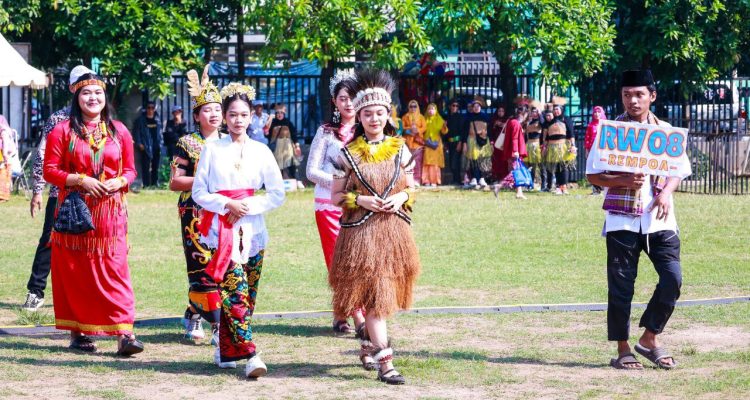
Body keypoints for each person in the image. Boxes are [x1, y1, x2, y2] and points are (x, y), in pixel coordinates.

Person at [587, 69, 690, 371]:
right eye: (627, 95)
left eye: (639, 94)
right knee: (621, 286)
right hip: (622, 221)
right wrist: (622, 180)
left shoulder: (666, 132)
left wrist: (667, 192)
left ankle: (649, 339)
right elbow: (593, 175)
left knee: (673, 278)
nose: (633, 100)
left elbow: (678, 170)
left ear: (651, 96)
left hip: (660, 220)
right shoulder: (611, 132)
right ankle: (623, 349)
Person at [43, 68, 144, 356]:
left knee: (116, 270)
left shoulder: (118, 130)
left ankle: (125, 334)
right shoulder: (62, 131)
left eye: (98, 92)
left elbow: (130, 170)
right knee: (77, 273)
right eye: (86, 92)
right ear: (76, 97)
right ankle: (79, 333)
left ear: (105, 97)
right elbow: (50, 170)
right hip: (74, 212)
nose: (93, 97)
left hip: (110, 214)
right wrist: (80, 180)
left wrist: (119, 181)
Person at [330, 69, 420, 385]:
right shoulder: (346, 154)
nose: (374, 118)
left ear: (387, 114)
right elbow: (336, 196)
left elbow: (413, 188)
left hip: (394, 235)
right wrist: (362, 200)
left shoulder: (400, 149)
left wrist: (401, 198)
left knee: (379, 298)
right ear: (359, 116)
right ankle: (386, 364)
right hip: (360, 237)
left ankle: (369, 345)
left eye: (379, 112)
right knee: (375, 300)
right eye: (367, 113)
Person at [192, 82, 285, 377]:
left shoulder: (261, 150)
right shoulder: (211, 149)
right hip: (222, 230)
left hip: (252, 229)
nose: (238, 120)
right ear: (225, 117)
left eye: (243, 114)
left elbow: (277, 193)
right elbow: (199, 192)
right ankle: (251, 355)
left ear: (251, 116)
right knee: (235, 293)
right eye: (232, 114)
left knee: (249, 295)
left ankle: (226, 349)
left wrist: (248, 205)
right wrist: (226, 204)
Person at [306, 69, 369, 338]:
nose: (348, 103)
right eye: (343, 98)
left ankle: (340, 311)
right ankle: (358, 317)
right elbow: (311, 171)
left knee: (358, 261)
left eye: (352, 97)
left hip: (359, 205)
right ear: (334, 101)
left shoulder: (367, 131)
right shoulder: (325, 132)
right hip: (328, 206)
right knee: (338, 262)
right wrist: (340, 182)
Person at [169, 66, 225, 344]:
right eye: (207, 109)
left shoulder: (230, 142)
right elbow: (175, 181)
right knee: (202, 266)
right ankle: (217, 325)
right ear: (196, 115)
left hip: (225, 211)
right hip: (195, 213)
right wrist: (206, 180)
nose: (214, 114)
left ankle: (194, 312)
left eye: (217, 109)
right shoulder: (187, 143)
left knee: (224, 267)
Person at [24, 102, 71, 311]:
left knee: (90, 244)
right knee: (49, 240)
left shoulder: (103, 120)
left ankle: (87, 295)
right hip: (60, 192)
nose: (92, 96)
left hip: (94, 194)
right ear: (73, 89)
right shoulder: (59, 119)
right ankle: (35, 292)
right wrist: (37, 190)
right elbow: (42, 154)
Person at [494, 102, 528, 199]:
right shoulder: (516, 123)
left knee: (516, 172)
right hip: (513, 152)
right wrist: (515, 151)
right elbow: (514, 138)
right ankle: (499, 186)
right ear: (522, 113)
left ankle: (519, 192)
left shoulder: (510, 121)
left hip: (510, 152)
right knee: (515, 172)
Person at [543, 101, 576, 195]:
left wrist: (573, 145)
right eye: (554, 109)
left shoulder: (566, 119)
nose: (555, 111)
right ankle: (558, 187)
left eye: (557, 109)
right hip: (552, 147)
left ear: (561, 110)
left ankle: (564, 187)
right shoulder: (550, 122)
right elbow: (547, 137)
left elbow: (571, 134)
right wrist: (545, 147)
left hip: (563, 146)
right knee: (556, 167)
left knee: (564, 167)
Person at [462, 99, 492, 189]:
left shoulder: (485, 117)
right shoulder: (468, 118)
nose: (476, 108)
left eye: (478, 106)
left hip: (483, 140)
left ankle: (482, 178)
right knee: (473, 160)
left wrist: (491, 142)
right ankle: (474, 178)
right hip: (472, 140)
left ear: (480, 107)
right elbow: (464, 131)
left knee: (482, 159)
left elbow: (489, 130)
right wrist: (464, 143)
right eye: (474, 106)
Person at [269, 104, 302, 183]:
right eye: (277, 113)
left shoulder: (288, 122)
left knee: (290, 164)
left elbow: (294, 134)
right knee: (277, 165)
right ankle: (278, 182)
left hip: (288, 146)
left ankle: (296, 181)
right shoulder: (272, 123)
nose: (279, 114)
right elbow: (268, 134)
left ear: (284, 113)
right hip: (277, 147)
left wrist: (297, 145)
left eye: (281, 113)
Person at [132, 101, 162, 187]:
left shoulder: (157, 120)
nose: (150, 110)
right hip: (145, 146)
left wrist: (161, 143)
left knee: (155, 166)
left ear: (154, 109)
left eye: (152, 108)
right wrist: (139, 143)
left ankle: (154, 183)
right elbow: (136, 132)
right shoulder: (141, 120)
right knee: (145, 166)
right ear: (146, 109)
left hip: (156, 146)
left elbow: (160, 133)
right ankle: (146, 184)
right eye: (149, 107)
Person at [401, 99, 426, 185]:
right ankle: (408, 180)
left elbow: (424, 127)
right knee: (408, 161)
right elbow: (402, 127)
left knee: (418, 161)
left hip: (417, 142)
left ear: (417, 107)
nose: (413, 108)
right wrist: (409, 129)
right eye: (411, 106)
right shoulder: (405, 117)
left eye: (415, 106)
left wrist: (417, 130)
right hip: (408, 142)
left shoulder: (421, 117)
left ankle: (417, 179)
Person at [421, 103, 447, 186]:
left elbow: (444, 132)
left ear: (436, 110)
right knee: (427, 162)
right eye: (429, 109)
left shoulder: (440, 119)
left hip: (436, 143)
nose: (431, 111)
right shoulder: (424, 119)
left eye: (432, 109)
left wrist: (444, 126)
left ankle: (434, 181)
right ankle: (426, 181)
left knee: (435, 163)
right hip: (427, 143)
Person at [585, 106, 607, 195]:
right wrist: (587, 150)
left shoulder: (606, 125)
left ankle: (605, 188)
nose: (597, 114)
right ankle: (596, 189)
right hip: (593, 151)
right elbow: (587, 138)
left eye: (599, 112)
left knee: (603, 168)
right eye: (595, 112)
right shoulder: (591, 125)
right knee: (593, 169)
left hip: (604, 151)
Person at [524, 103, 545, 191]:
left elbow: (543, 124)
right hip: (529, 145)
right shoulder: (529, 122)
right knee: (530, 166)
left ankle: (543, 185)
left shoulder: (540, 121)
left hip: (537, 144)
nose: (534, 113)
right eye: (533, 112)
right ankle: (531, 184)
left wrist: (540, 114)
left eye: (536, 112)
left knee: (540, 165)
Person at [444, 99, 465, 185]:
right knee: (451, 162)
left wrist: (460, 143)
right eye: (453, 105)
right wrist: (445, 143)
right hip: (450, 143)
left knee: (455, 162)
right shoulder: (447, 117)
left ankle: (458, 180)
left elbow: (462, 131)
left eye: (457, 106)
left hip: (457, 142)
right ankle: (455, 180)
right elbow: (445, 132)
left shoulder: (460, 117)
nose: (455, 107)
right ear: (449, 106)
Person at [489, 105, 509, 181]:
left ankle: (504, 177)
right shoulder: (493, 120)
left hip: (504, 143)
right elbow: (491, 132)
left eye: (502, 111)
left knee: (504, 160)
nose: (501, 113)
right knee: (496, 160)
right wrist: (491, 142)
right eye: (499, 111)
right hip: (496, 143)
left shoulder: (507, 121)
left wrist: (503, 125)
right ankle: (496, 177)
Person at [0, 116, 13, 202]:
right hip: (3, 154)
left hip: (3, 154)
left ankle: (3, 196)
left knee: (4, 173)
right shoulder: (5, 129)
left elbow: (5, 141)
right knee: (4, 173)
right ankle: (3, 196)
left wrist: (5, 155)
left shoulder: (4, 131)